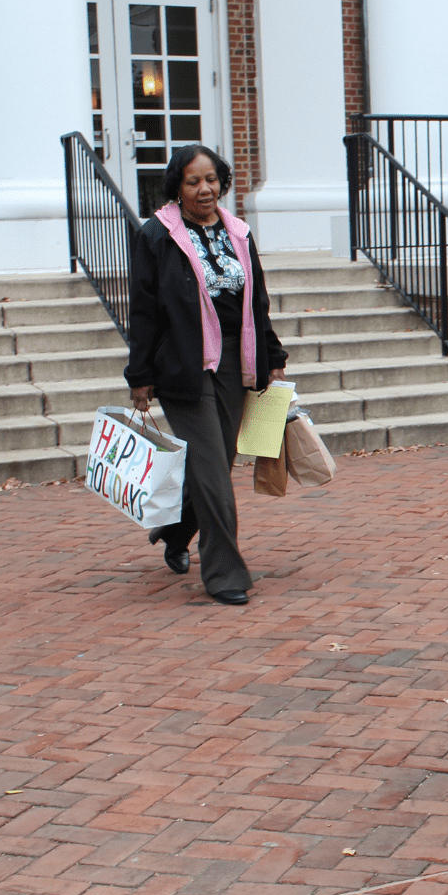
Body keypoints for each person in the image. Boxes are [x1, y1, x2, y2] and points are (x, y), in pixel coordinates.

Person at [125, 145, 288, 606]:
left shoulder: (238, 232)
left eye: (212, 179)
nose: (205, 189)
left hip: (237, 363)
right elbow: (143, 310)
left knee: (213, 465)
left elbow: (257, 300)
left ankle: (175, 534)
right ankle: (224, 573)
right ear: (177, 186)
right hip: (184, 366)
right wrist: (139, 375)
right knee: (214, 471)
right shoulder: (158, 235)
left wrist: (272, 355)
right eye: (194, 181)